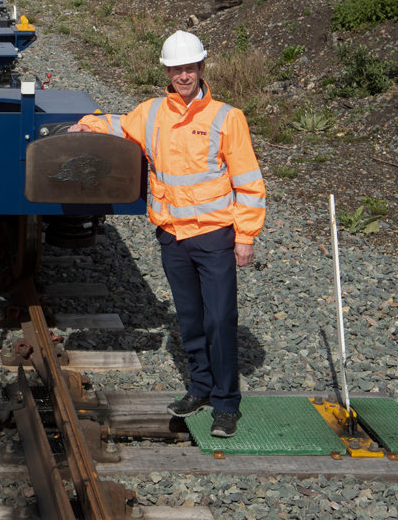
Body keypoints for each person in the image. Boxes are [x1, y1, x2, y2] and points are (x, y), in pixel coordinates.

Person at [69, 31, 265, 437]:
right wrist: (84, 125)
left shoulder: (228, 118)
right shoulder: (153, 112)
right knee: (190, 319)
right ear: (167, 71)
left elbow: (249, 183)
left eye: (190, 68)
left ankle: (226, 404)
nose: (183, 75)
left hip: (214, 237)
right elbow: (119, 125)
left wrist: (245, 237)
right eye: (176, 69)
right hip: (171, 236)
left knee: (220, 320)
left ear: (202, 68)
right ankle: (199, 387)